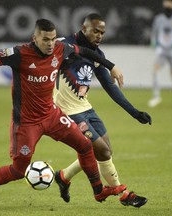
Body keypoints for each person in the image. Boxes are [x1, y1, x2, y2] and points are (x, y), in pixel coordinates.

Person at [0, 19, 128, 209]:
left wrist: (111, 66)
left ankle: (98, 191)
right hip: (26, 123)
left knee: (85, 145)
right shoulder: (18, 54)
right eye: (45, 40)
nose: (51, 44)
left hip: (52, 115)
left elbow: (85, 51)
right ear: (35, 38)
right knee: (18, 170)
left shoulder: (61, 49)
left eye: (53, 38)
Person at [53, 13, 152, 208]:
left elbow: (110, 87)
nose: (99, 36)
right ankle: (124, 195)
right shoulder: (63, 45)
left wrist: (134, 112)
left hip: (85, 107)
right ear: (84, 29)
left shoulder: (98, 55)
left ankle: (63, 177)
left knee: (105, 151)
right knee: (103, 152)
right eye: (95, 31)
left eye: (102, 33)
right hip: (67, 111)